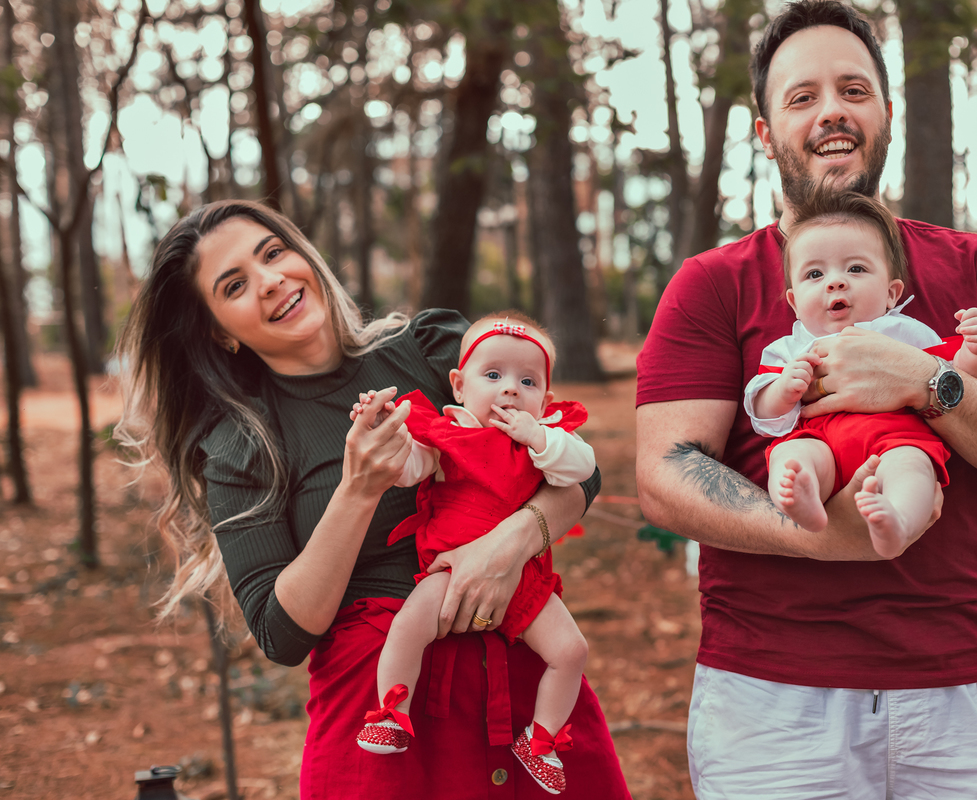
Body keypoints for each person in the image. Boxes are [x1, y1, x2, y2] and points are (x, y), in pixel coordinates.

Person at [634, 1, 977, 797]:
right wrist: (827, 537)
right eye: (802, 97)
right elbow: (666, 470)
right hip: (770, 701)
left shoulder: (975, 266)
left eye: (853, 90)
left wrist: (926, 383)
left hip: (962, 685)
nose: (831, 111)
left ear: (886, 115)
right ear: (765, 134)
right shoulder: (711, 285)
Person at [115, 199, 631, 800]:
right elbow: (281, 633)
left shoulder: (434, 350)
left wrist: (506, 546)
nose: (271, 281)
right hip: (380, 714)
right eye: (234, 285)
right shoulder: (241, 444)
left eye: (273, 253)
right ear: (217, 330)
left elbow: (576, 471)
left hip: (520, 666)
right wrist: (357, 490)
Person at [351, 314, 594, 795]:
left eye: (527, 381)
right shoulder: (447, 432)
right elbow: (407, 469)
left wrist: (537, 435)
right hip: (451, 565)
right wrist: (385, 431)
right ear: (460, 387)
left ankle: (540, 739)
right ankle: (390, 712)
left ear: (545, 399)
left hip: (522, 576)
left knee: (571, 651)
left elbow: (581, 469)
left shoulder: (546, 438)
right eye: (493, 376)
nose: (509, 391)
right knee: (408, 625)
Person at [747, 187, 977, 559]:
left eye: (856, 268)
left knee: (913, 466)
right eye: (815, 273)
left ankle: (897, 522)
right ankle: (804, 498)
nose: (836, 282)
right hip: (820, 439)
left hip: (896, 437)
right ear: (794, 302)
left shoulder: (905, 332)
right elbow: (763, 413)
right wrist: (784, 388)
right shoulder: (788, 348)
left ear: (892, 293)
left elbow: (958, 382)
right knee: (793, 455)